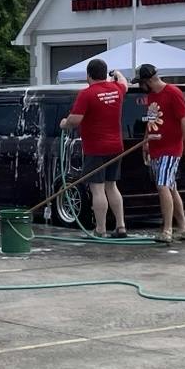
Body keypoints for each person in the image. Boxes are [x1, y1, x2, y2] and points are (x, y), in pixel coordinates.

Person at [61, 58, 129, 238]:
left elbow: (75, 120)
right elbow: (125, 84)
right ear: (105, 74)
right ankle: (121, 226)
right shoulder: (116, 89)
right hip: (116, 146)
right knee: (112, 186)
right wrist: (117, 74)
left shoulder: (87, 94)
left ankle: (101, 229)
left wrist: (64, 123)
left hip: (96, 148)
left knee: (97, 189)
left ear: (88, 75)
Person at [136, 64, 185, 244]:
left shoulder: (173, 93)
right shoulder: (152, 96)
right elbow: (151, 120)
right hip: (156, 148)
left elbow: (184, 119)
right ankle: (184, 227)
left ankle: (167, 230)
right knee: (170, 187)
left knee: (163, 186)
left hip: (171, 149)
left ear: (148, 81)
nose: (140, 86)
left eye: (141, 83)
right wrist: (146, 142)